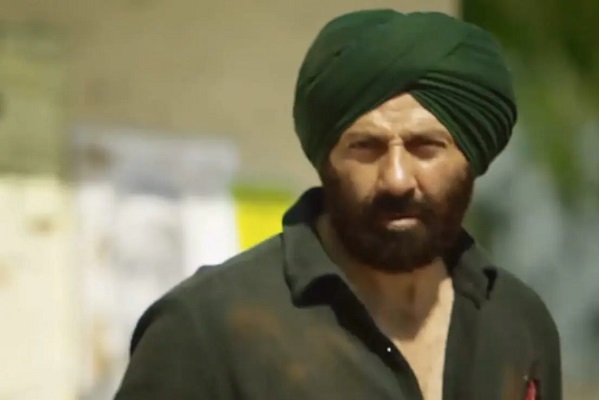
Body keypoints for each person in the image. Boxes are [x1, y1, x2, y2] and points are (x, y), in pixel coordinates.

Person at [114, 9, 562, 400]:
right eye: (365, 147)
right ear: (326, 158)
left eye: (425, 147)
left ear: (471, 158)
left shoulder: (518, 322)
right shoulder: (204, 331)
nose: (396, 179)